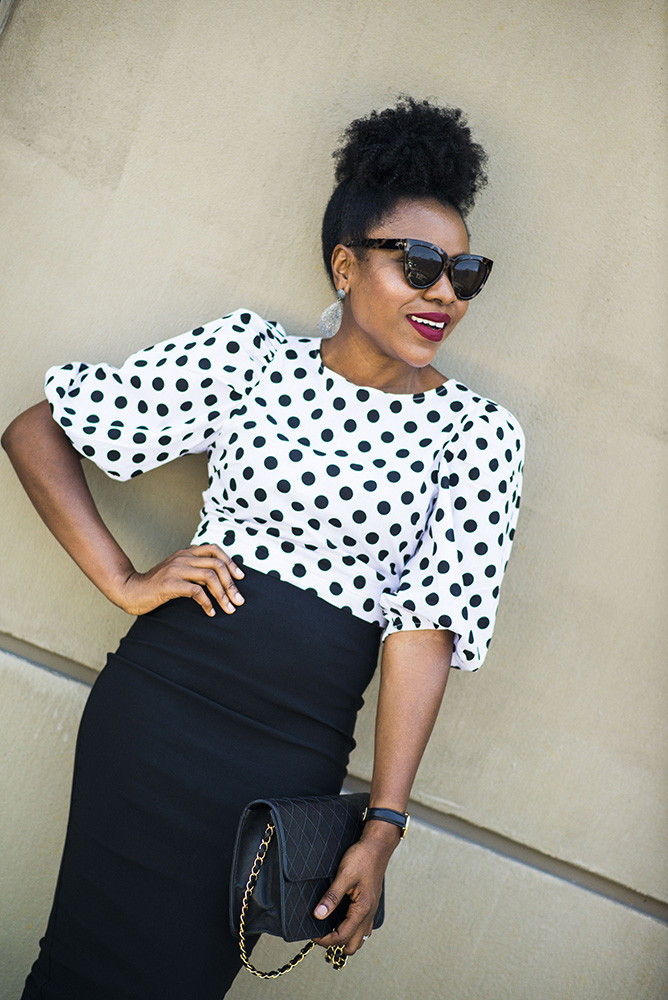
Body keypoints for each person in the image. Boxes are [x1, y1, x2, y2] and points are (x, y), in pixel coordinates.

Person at [3, 97, 524, 999]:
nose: (445, 292)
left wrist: (384, 826)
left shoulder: (479, 438)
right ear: (345, 265)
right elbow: (36, 432)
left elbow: (423, 635)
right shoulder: (251, 357)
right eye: (420, 265)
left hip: (284, 765)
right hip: (155, 715)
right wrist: (123, 579)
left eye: (465, 273)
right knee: (75, 968)